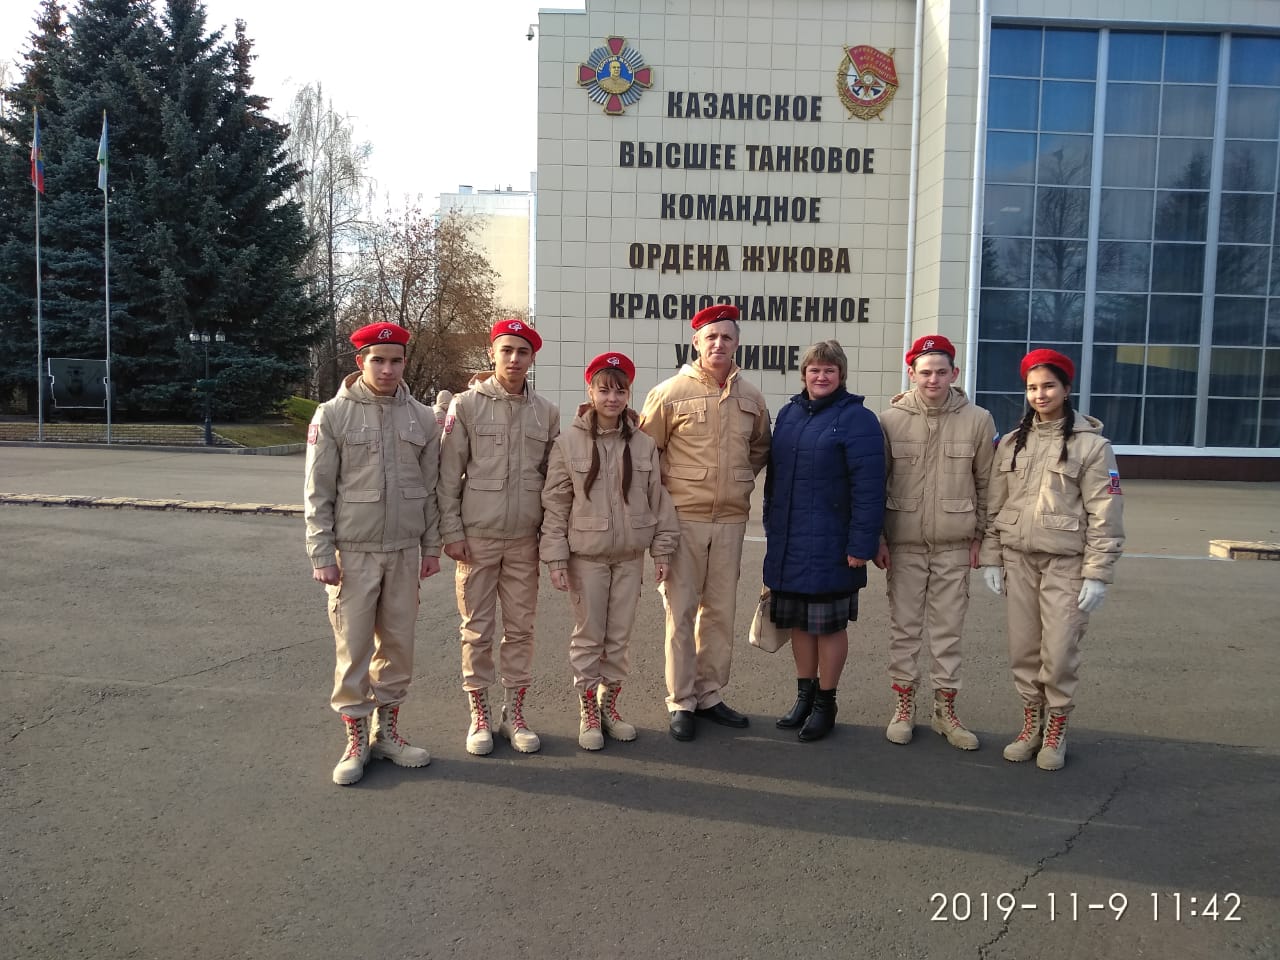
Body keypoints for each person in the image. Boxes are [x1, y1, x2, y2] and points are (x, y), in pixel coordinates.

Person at [304, 321, 442, 786]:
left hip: (403, 552)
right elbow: (318, 490)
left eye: (395, 360)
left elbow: (431, 490)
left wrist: (431, 547)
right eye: (377, 360)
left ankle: (388, 734)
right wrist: (322, 553)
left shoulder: (422, 418)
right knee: (354, 647)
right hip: (354, 554)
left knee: (398, 647)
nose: (387, 369)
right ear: (360, 361)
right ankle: (355, 741)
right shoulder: (333, 414)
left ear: (404, 363)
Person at [978, 348, 1125, 771]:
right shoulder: (1011, 444)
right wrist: (992, 558)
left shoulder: (1092, 447)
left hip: (1067, 563)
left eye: (1048, 386)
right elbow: (995, 505)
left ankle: (1057, 724)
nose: (1040, 394)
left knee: (1059, 652)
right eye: (1032, 387)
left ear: (1066, 389)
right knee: (1023, 650)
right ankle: (1031, 724)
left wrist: (1097, 573)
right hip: (1018, 560)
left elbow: (1105, 512)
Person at [639, 303, 771, 741]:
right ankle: (681, 700)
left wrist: (736, 483)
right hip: (684, 520)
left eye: (726, 337)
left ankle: (709, 694)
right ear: (696, 341)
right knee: (680, 611)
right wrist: (659, 516)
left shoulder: (751, 397)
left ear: (737, 343)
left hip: (730, 521)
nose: (719, 344)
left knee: (719, 611)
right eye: (711, 337)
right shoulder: (669, 393)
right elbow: (646, 456)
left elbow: (759, 449)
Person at [540, 352, 680, 750]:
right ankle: (587, 710)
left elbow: (658, 500)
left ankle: (609, 707)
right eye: (604, 390)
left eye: (620, 391)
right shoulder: (568, 443)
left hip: (630, 557)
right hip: (587, 558)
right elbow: (556, 503)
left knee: (618, 638)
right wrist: (555, 557)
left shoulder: (644, 444)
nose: (612, 398)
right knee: (589, 637)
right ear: (590, 392)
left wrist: (662, 551)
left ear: (628, 394)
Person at [437, 319, 559, 756]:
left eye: (522, 352)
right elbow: (448, 475)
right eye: (506, 350)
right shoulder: (467, 405)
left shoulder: (545, 412)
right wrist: (451, 531)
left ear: (532, 358)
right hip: (477, 539)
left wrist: (549, 536)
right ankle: (480, 715)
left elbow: (553, 482)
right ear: (492, 353)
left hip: (524, 540)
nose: (514, 359)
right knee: (476, 630)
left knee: (521, 630)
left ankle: (515, 714)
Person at [872, 335, 997, 750]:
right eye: (925, 372)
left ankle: (945, 710)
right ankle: (903, 706)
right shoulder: (889, 420)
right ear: (911, 373)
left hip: (954, 544)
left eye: (942, 372)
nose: (933, 380)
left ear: (954, 374)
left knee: (948, 632)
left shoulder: (978, 420)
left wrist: (981, 537)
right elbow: (877, 484)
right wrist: (879, 538)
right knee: (905, 629)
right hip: (904, 543)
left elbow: (987, 484)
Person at [765, 340, 885, 741]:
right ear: (804, 375)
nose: (821, 376)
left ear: (841, 375)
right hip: (791, 541)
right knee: (799, 623)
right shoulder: (789, 414)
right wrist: (771, 526)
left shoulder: (857, 419)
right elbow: (775, 479)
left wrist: (861, 545)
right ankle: (804, 695)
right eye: (814, 370)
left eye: (829, 370)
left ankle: (826, 702)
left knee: (828, 627)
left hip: (834, 544)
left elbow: (869, 488)